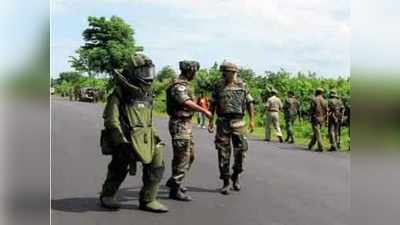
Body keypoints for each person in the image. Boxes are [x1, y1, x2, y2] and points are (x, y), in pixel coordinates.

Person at [99, 54, 168, 213]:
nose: (147, 76)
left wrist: (155, 137)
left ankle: (148, 199)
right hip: (125, 138)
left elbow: (148, 119)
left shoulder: (147, 94)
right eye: (142, 72)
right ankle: (107, 195)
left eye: (148, 71)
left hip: (146, 136)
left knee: (157, 165)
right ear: (131, 72)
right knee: (119, 167)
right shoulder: (119, 93)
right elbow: (111, 120)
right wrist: (120, 141)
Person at [165, 61, 212, 201]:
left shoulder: (185, 85)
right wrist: (204, 110)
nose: (196, 74)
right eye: (195, 71)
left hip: (186, 124)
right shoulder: (178, 85)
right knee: (182, 156)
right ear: (190, 71)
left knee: (189, 156)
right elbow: (185, 101)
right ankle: (175, 189)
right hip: (179, 123)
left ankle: (174, 180)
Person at [208, 61, 255, 195]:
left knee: (241, 151)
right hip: (222, 122)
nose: (223, 74)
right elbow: (213, 103)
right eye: (223, 72)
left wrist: (252, 120)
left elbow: (249, 102)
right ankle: (226, 181)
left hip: (238, 122)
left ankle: (236, 175)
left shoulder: (243, 85)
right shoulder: (218, 85)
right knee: (223, 152)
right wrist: (211, 121)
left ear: (233, 72)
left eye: (226, 72)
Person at [308, 87, 328, 152]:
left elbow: (311, 109)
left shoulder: (314, 99)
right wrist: (325, 118)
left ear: (316, 92)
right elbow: (326, 110)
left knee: (317, 133)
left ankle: (321, 147)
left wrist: (310, 117)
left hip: (315, 118)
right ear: (322, 93)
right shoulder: (325, 101)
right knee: (316, 132)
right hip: (322, 118)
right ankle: (310, 145)